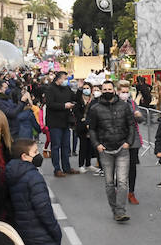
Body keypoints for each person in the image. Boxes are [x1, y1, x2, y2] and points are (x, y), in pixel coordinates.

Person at [86, 79, 136, 223]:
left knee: (122, 182)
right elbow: (92, 129)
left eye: (110, 89)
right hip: (105, 149)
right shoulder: (95, 108)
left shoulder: (124, 106)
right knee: (109, 182)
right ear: (101, 91)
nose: (107, 91)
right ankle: (114, 209)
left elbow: (131, 125)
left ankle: (120, 211)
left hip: (122, 148)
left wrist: (128, 142)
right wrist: (97, 145)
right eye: (105, 89)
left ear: (114, 90)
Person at [43, 71, 77, 177]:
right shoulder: (50, 89)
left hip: (65, 121)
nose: (66, 80)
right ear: (58, 78)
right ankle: (57, 169)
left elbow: (74, 97)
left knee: (66, 146)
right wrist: (64, 106)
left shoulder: (66, 88)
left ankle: (66, 167)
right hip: (54, 122)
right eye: (64, 78)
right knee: (56, 146)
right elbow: (50, 104)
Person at [120, 81, 145, 204]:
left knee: (132, 168)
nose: (125, 94)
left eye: (126, 91)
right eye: (122, 92)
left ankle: (131, 193)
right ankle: (118, 190)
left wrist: (138, 115)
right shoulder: (113, 104)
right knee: (118, 167)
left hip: (133, 140)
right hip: (118, 139)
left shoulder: (133, 104)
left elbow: (141, 119)